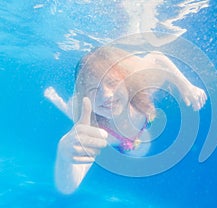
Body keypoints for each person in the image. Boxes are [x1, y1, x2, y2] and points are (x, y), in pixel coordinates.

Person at [44, 46, 207, 194]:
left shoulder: (144, 87)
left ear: (127, 82)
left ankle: (67, 104)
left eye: (113, 83)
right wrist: (64, 155)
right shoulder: (97, 130)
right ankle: (64, 105)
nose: (106, 95)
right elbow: (68, 186)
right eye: (93, 89)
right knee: (78, 116)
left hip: (132, 125)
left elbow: (156, 56)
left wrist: (185, 85)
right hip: (110, 133)